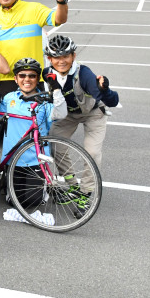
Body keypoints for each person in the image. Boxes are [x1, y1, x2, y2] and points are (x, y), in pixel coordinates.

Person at [43, 35, 119, 200]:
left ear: (73, 56)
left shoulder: (84, 74)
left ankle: (86, 192)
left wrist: (105, 90)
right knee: (55, 145)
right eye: (56, 57)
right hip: (68, 114)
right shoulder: (47, 73)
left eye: (65, 56)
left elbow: (112, 101)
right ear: (49, 58)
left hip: (93, 113)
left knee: (92, 152)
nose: (61, 61)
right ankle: (73, 186)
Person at [0, 58, 66, 208]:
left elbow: (61, 114)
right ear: (15, 79)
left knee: (33, 202)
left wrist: (56, 90)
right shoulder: (9, 99)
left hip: (36, 161)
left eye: (32, 76)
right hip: (12, 159)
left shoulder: (45, 101)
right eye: (22, 75)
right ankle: (4, 178)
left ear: (37, 79)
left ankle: (44, 187)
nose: (26, 79)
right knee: (14, 203)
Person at [0, 0, 68, 94]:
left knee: (37, 113)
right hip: (8, 78)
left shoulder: (34, 8)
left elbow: (59, 19)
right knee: (8, 113)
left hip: (33, 76)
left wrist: (61, 0)